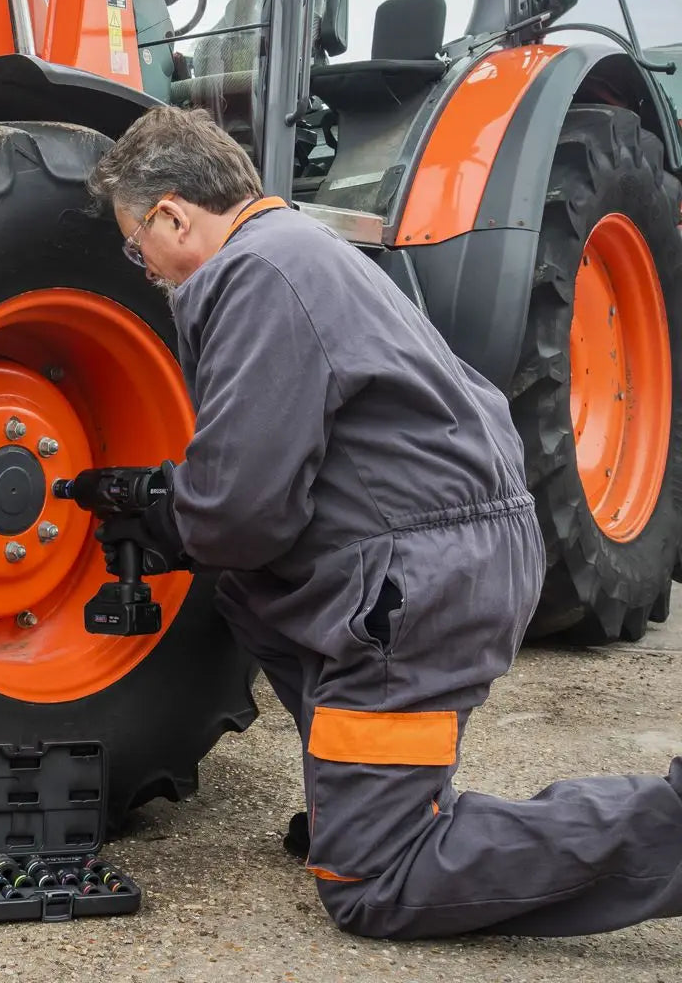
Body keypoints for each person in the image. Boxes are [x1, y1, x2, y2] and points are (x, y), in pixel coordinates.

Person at [86, 104, 682, 940]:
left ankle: (665, 831)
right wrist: (177, 502)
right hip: (442, 544)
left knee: (375, 882)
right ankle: (360, 791)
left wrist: (161, 510)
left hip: (424, 573)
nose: (139, 263)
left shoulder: (256, 274)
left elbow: (243, 514)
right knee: (252, 596)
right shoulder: (300, 249)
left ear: (172, 213)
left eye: (133, 243)